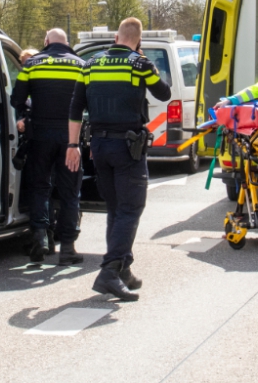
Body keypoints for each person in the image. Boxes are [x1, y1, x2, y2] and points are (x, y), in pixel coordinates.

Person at [66, 17, 171, 301]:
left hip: (98, 146)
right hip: (128, 148)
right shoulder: (139, 64)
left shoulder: (90, 65)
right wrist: (146, 62)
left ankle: (123, 267)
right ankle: (109, 272)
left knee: (116, 208)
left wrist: (72, 145)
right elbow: (164, 92)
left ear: (116, 37)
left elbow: (76, 108)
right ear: (137, 40)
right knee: (131, 208)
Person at [11, 28, 86, 265]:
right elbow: (89, 101)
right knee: (69, 192)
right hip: (70, 140)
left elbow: (16, 99)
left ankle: (40, 240)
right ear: (67, 43)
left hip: (40, 136)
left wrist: (29, 111)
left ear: (46, 41)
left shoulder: (31, 64)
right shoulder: (81, 65)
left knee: (40, 188)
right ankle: (67, 249)